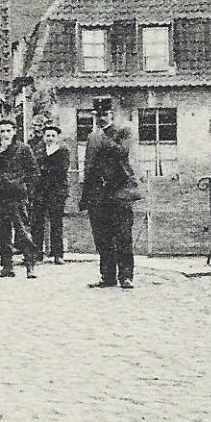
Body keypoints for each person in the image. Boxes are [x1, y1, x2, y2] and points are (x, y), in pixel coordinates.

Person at [78, 98, 141, 290]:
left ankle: (126, 276)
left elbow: (123, 152)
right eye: (98, 115)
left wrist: (103, 138)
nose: (101, 119)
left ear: (112, 115)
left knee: (122, 236)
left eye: (105, 115)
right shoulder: (93, 137)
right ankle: (107, 276)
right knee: (102, 238)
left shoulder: (123, 132)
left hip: (119, 192)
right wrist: (85, 196)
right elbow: (88, 167)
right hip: (98, 195)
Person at [0, 117, 39, 279]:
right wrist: (0, 153)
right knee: (2, 233)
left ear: (14, 132)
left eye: (8, 130)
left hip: (18, 197)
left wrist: (26, 190)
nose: (5, 134)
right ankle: (7, 266)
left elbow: (34, 172)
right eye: (2, 131)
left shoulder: (23, 149)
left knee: (22, 231)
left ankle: (30, 265)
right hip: (1, 196)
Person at [34, 124, 71, 264]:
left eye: (52, 136)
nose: (50, 138)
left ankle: (57, 254)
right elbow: (34, 167)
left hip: (57, 191)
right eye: (47, 136)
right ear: (44, 137)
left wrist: (44, 169)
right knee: (37, 222)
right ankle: (37, 253)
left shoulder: (63, 151)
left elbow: (61, 169)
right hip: (40, 191)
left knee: (56, 222)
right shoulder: (38, 151)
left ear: (57, 138)